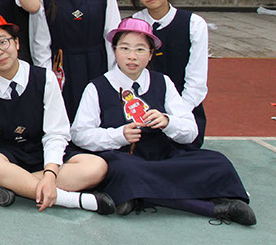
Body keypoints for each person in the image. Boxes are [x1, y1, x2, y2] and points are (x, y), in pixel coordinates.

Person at [70, 18, 254, 225]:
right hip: (123, 157)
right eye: (124, 48)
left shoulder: (163, 82)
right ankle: (213, 207)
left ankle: (137, 196)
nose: (132, 56)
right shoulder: (97, 87)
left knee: (217, 162)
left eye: (140, 49)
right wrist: (119, 135)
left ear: (150, 55)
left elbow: (191, 131)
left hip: (163, 156)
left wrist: (168, 122)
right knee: (126, 171)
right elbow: (79, 134)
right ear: (114, 51)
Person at [0, 14, 113, 213]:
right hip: (6, 157)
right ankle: (71, 199)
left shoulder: (45, 78)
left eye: (3, 42)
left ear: (17, 43)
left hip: (42, 152)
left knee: (96, 166)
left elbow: (56, 132)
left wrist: (50, 174)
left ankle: (11, 185)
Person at [29, 0, 119, 120]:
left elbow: (112, 34)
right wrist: (48, 80)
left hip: (97, 65)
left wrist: (113, 75)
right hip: (61, 67)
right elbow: (40, 43)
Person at [125, 0, 209, 147]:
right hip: (140, 112)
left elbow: (196, 82)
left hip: (184, 111)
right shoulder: (130, 25)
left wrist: (175, 116)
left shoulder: (194, 24)